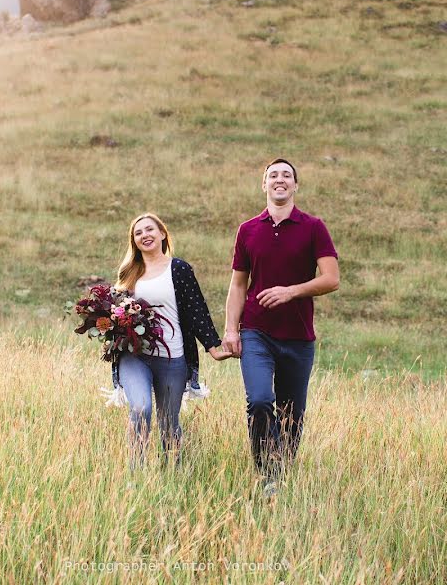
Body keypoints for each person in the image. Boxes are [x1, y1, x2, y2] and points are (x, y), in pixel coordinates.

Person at [223, 159, 340, 492]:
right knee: (260, 401)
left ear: (295, 186)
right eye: (273, 175)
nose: (280, 180)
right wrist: (232, 329)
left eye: (286, 175)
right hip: (256, 331)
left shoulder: (314, 227)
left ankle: (281, 474)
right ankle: (266, 476)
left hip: (299, 336)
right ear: (264, 185)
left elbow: (332, 279)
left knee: (292, 416)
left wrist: (292, 291)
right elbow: (237, 285)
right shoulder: (248, 229)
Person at [112, 213, 231, 465]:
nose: (145, 235)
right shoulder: (129, 273)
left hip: (172, 358)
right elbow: (117, 311)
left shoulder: (179, 269)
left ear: (163, 234)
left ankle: (172, 475)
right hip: (135, 356)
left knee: (168, 423)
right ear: (134, 241)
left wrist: (213, 346)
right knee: (140, 408)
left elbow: (196, 309)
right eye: (138, 232)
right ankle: (136, 473)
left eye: (149, 230)